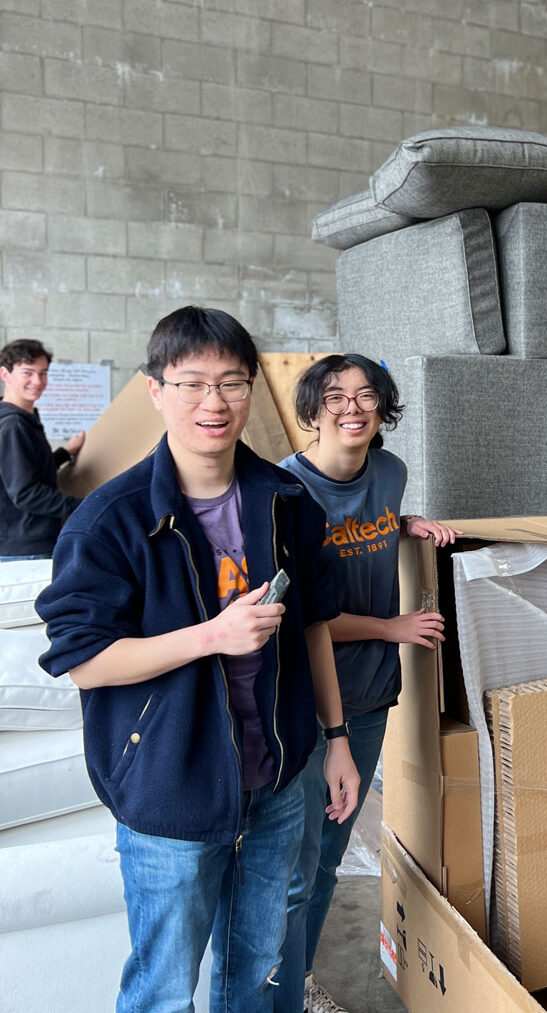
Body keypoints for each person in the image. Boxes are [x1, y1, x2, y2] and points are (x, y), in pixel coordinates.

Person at [36, 307, 361, 1013]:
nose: (213, 403)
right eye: (191, 383)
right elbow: (85, 662)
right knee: (161, 988)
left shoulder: (285, 501)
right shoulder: (109, 520)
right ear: (155, 390)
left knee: (256, 973)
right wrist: (211, 635)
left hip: (273, 786)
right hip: (170, 793)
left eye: (232, 382)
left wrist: (336, 740)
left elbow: (312, 626)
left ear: (252, 390)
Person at [275, 353, 459, 1013]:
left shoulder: (390, 472)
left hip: (374, 696)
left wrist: (407, 526)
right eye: (334, 396)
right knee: (292, 870)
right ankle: (274, 992)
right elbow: (300, 619)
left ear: (383, 407)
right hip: (305, 704)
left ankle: (297, 981)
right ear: (312, 408)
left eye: (365, 395)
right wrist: (391, 627)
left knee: (326, 860)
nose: (351, 407)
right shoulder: (285, 491)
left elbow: (371, 529)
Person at [0, 337, 85, 558]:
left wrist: (65, 453)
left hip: (29, 540)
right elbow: (26, 492)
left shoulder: (25, 417)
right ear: (5, 375)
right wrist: (84, 506)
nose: (37, 381)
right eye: (27, 373)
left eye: (43, 373)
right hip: (25, 547)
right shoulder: (13, 425)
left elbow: (28, 468)